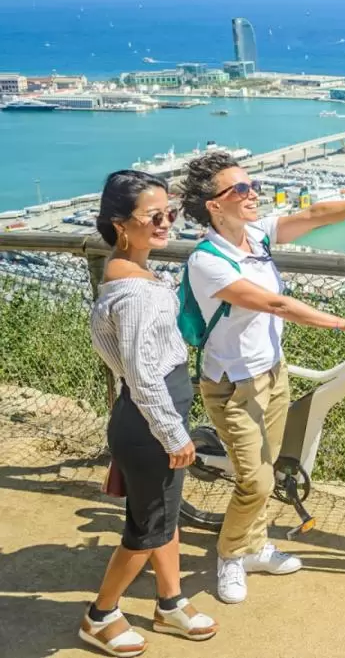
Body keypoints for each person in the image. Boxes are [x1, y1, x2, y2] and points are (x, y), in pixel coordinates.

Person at [179, 153, 345, 604]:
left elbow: (313, 215)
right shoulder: (208, 261)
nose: (253, 194)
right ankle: (229, 557)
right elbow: (275, 305)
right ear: (213, 205)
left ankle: (256, 545)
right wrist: (342, 322)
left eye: (251, 185)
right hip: (232, 385)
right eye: (240, 190)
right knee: (257, 481)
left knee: (271, 467)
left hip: (273, 372)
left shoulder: (257, 237)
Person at [84, 170, 217, 656]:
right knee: (144, 531)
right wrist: (172, 433)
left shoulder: (127, 271)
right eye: (154, 216)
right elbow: (142, 374)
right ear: (122, 224)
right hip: (149, 420)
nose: (166, 223)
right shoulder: (135, 291)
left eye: (170, 213)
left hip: (149, 415)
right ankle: (100, 616)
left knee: (162, 516)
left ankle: (170, 602)